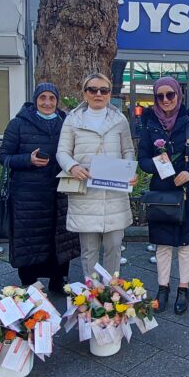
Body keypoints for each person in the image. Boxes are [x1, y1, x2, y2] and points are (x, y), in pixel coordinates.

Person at [138, 77, 189, 314]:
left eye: (170, 94)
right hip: (162, 191)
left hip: (188, 191)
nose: (165, 100)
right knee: (162, 244)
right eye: (160, 96)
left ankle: (183, 288)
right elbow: (142, 158)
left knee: (185, 244)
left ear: (179, 94)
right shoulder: (149, 123)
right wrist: (157, 165)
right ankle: (163, 288)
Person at [0, 83, 80, 292]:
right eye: (42, 97)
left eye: (52, 98)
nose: (47, 102)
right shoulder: (18, 124)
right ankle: (29, 281)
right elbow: (3, 156)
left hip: (59, 191)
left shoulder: (66, 123)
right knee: (29, 237)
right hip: (27, 194)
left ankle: (59, 279)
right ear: (35, 100)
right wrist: (28, 160)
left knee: (60, 236)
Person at [57, 73, 135, 280]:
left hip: (114, 193)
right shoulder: (72, 120)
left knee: (114, 246)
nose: (98, 94)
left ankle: (112, 292)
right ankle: (91, 294)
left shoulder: (120, 120)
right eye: (93, 89)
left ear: (110, 94)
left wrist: (130, 171)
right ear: (84, 93)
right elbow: (62, 152)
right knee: (89, 250)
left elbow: (128, 150)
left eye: (104, 90)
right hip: (86, 194)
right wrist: (72, 166)